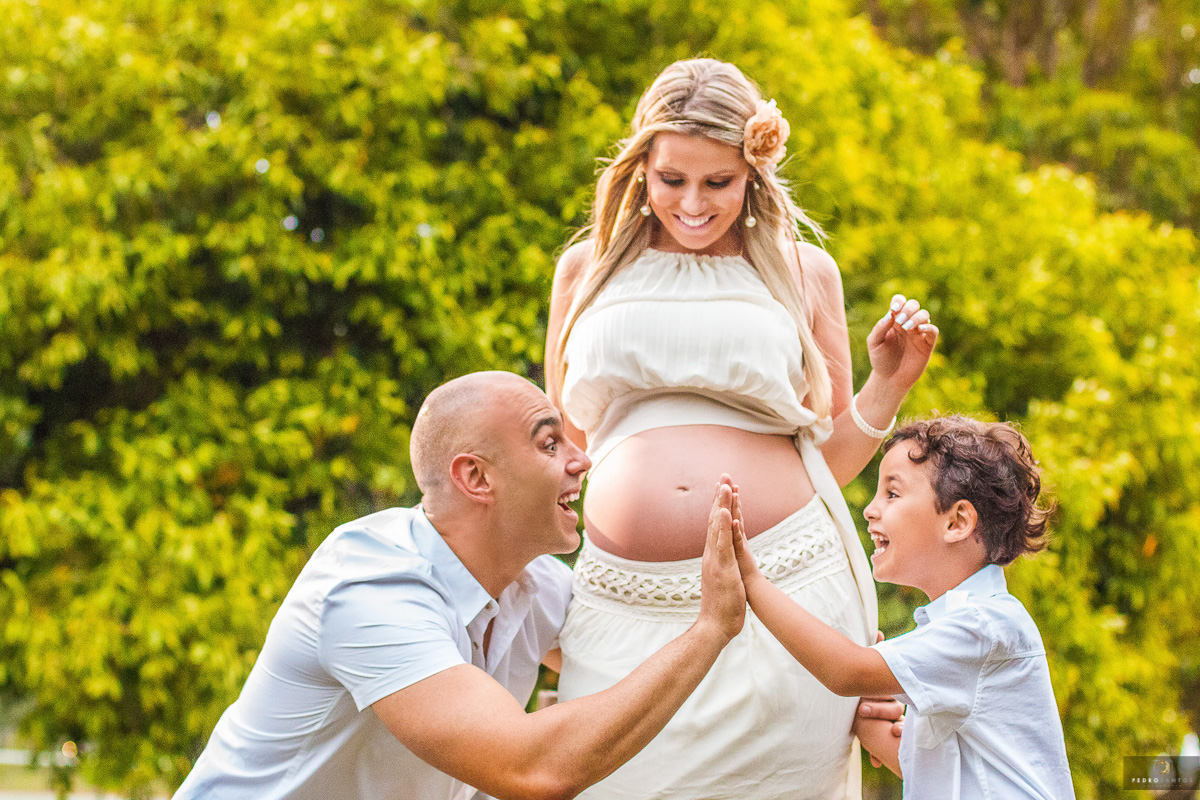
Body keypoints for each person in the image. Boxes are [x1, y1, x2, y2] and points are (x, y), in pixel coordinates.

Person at [545, 57, 937, 798]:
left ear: (753, 171)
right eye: (671, 179)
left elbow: (830, 459)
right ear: (641, 169)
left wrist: (891, 383)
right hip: (621, 605)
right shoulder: (585, 270)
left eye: (717, 182)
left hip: (786, 594)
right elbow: (561, 456)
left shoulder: (803, 271)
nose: (692, 203)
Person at [173, 371, 748, 800]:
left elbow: (627, 668)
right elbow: (534, 768)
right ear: (475, 477)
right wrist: (710, 630)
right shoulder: (370, 586)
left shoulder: (538, 587)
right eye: (550, 444)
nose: (584, 460)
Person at [731, 416, 1075, 798]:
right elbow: (941, 776)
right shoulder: (956, 634)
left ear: (957, 521)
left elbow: (847, 671)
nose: (870, 510)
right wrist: (869, 721)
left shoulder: (985, 625)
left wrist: (753, 584)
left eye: (892, 495)